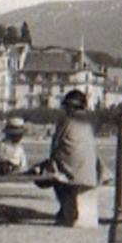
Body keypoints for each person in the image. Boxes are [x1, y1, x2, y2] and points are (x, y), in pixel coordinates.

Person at [31, 90, 105, 225]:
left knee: (50, 176)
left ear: (70, 106)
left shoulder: (67, 121)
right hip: (91, 174)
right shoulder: (89, 122)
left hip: (72, 174)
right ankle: (66, 212)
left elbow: (55, 147)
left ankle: (67, 212)